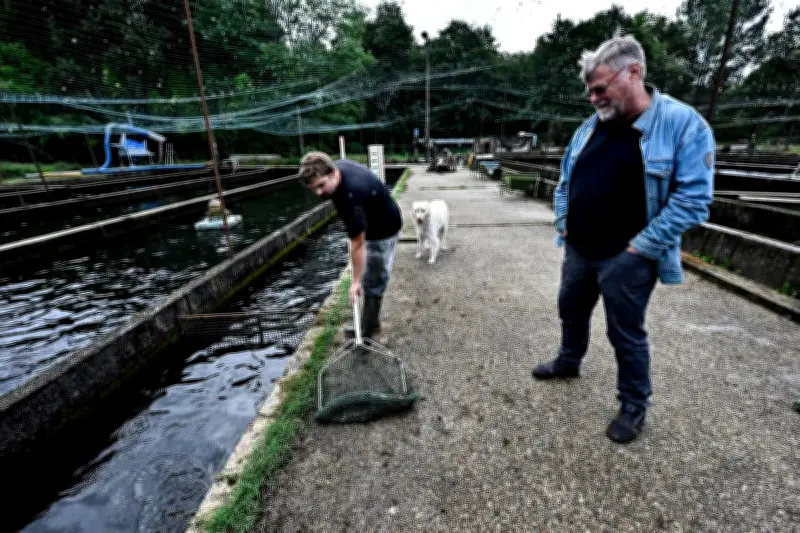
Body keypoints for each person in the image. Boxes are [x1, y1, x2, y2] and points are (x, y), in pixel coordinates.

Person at [531, 34, 715, 443]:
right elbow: (565, 181)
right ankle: (569, 359)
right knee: (570, 310)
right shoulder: (591, 126)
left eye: (600, 88)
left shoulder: (683, 124)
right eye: (589, 91)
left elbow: (694, 201)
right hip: (579, 247)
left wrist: (638, 249)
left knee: (625, 332)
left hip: (628, 256)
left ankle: (634, 404)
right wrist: (564, 221)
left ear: (634, 72)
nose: (593, 98)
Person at [299, 151, 403, 339]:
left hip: (383, 230)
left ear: (333, 173)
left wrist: (355, 282)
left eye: (321, 186)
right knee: (368, 274)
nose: (318, 192)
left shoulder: (350, 196)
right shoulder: (336, 168)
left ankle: (366, 333)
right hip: (377, 215)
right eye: (313, 188)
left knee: (373, 280)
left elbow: (357, 243)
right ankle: (371, 322)